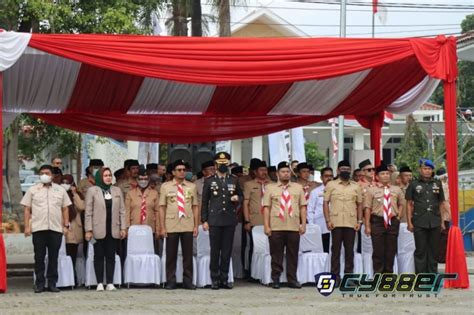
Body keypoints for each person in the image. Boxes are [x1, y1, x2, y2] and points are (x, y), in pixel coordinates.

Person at [21, 164, 72, 293]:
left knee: (54, 257)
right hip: (39, 228)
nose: (45, 175)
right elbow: (27, 209)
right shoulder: (33, 190)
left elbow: (65, 208)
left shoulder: (60, 190)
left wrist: (66, 225)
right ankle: (39, 283)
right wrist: (27, 226)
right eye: (42, 173)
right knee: (39, 257)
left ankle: (52, 283)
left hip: (55, 228)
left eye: (47, 173)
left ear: (52, 175)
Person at [201, 152, 243, 290]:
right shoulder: (209, 181)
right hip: (214, 220)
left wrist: (237, 198)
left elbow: (241, 196)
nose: (223, 166)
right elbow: (204, 201)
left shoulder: (234, 179)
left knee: (226, 250)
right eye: (220, 164)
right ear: (216, 165)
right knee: (215, 251)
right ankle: (214, 278)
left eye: (225, 164)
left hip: (229, 219)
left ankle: (224, 278)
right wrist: (204, 220)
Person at [263, 161, 307, 289]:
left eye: (288, 172)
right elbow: (266, 208)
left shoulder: (298, 187)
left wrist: (303, 224)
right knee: (276, 254)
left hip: (293, 226)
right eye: (283, 172)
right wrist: (266, 226)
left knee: (293, 254)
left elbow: (303, 207)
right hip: (276, 226)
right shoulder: (270, 188)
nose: (286, 174)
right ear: (277, 174)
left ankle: (292, 279)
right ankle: (276, 279)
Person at [85, 167, 126, 291]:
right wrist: (88, 229)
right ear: (100, 177)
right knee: (98, 256)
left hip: (113, 228)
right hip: (97, 228)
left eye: (110, 175)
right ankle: (99, 283)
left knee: (111, 256)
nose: (108, 177)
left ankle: (110, 282)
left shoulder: (117, 190)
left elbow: (122, 211)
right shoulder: (93, 191)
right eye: (105, 175)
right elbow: (88, 212)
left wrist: (123, 227)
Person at [159, 160, 199, 290]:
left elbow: (195, 206)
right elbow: (162, 207)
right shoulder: (165, 186)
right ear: (173, 172)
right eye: (179, 170)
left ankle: (188, 280)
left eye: (184, 170)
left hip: (187, 222)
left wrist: (195, 225)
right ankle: (171, 280)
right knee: (171, 255)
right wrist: (162, 226)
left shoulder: (191, 186)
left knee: (188, 255)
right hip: (171, 223)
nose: (182, 172)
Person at [323, 160, 363, 286]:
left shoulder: (356, 186)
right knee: (335, 251)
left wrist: (359, 221)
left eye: (347, 169)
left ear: (350, 170)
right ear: (338, 170)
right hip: (335, 222)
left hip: (351, 223)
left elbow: (360, 204)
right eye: (343, 169)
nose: (345, 171)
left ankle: (349, 277)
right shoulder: (331, 185)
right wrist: (328, 220)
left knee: (350, 251)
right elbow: (325, 203)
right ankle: (335, 277)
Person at [406, 159, 445, 274]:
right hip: (419, 221)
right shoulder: (413, 184)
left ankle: (432, 277)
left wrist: (442, 222)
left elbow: (441, 203)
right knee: (421, 251)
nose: (427, 171)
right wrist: (409, 222)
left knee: (434, 251)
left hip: (435, 221)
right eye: (425, 169)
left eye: (429, 169)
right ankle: (421, 278)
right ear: (420, 170)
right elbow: (408, 204)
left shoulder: (437, 183)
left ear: (432, 170)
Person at [364, 164, 405, 274]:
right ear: (377, 177)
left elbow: (401, 203)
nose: (386, 176)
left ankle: (388, 277)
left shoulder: (397, 189)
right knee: (378, 251)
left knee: (391, 250)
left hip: (393, 221)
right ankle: (378, 276)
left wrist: (399, 216)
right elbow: (367, 208)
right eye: (383, 174)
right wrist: (367, 225)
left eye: (387, 173)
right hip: (377, 222)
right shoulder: (371, 190)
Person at [243, 160, 271, 277]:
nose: (264, 172)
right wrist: (247, 220)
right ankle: (251, 273)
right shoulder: (249, 184)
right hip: (255, 220)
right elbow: (245, 203)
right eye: (261, 170)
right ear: (255, 172)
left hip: (271, 221)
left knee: (270, 247)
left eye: (265, 170)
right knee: (254, 247)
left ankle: (267, 272)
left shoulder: (273, 184)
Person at [125, 169, 160, 253]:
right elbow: (127, 212)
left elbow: (158, 211)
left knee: (149, 252)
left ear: (148, 180)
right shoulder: (130, 193)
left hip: (150, 228)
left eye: (145, 179)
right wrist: (127, 228)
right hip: (134, 228)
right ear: (137, 180)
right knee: (135, 252)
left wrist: (158, 228)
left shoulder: (154, 193)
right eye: (141, 179)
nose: (143, 181)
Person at [61, 174, 85, 285]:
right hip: (64, 227)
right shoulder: (58, 194)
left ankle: (73, 278)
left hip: (75, 229)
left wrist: (74, 194)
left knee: (72, 256)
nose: (65, 185)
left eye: (67, 183)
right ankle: (64, 278)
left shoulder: (77, 194)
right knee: (63, 256)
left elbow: (81, 207)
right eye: (63, 182)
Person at [307, 167, 333, 253]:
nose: (329, 178)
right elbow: (310, 210)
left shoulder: (337, 191)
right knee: (321, 252)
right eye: (326, 176)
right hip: (320, 227)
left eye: (331, 176)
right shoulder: (315, 192)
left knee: (334, 251)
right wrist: (312, 226)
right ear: (321, 178)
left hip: (335, 226)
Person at [436, 168, 451, 263]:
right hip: (444, 215)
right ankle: (442, 257)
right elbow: (444, 202)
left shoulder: (437, 185)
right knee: (443, 237)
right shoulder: (443, 186)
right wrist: (451, 214)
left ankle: (441, 256)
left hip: (440, 214)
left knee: (441, 237)